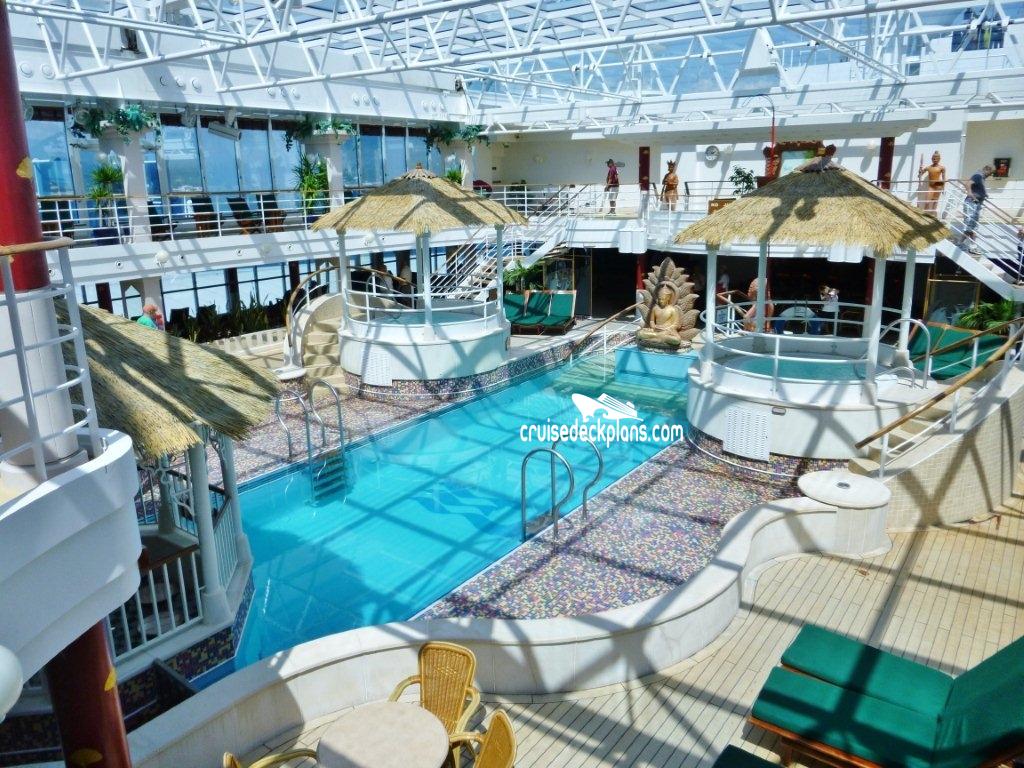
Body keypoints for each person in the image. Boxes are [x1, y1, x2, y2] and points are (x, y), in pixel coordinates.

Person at [959, 164, 995, 255]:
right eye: (991, 173)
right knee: (970, 225)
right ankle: (966, 245)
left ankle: (969, 245)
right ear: (987, 169)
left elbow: (977, 188)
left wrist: (984, 194)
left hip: (976, 204)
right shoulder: (978, 175)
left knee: (973, 226)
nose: (990, 175)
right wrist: (970, 193)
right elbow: (968, 184)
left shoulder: (981, 177)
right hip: (972, 203)